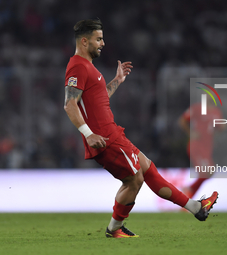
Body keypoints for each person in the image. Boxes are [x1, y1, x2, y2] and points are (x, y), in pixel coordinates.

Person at [63, 19, 218, 238]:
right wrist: (88, 134)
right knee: (134, 179)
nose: (103, 43)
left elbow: (98, 100)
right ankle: (114, 229)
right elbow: (69, 104)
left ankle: (196, 208)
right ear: (85, 40)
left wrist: (117, 80)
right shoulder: (78, 66)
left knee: (148, 169)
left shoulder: (88, 67)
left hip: (112, 132)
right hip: (105, 137)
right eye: (99, 39)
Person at [178, 96, 225, 198]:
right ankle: (188, 192)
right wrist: (191, 133)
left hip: (207, 147)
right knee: (207, 171)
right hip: (197, 146)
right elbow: (182, 120)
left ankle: (188, 194)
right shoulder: (197, 108)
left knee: (208, 172)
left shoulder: (216, 112)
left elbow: (220, 127)